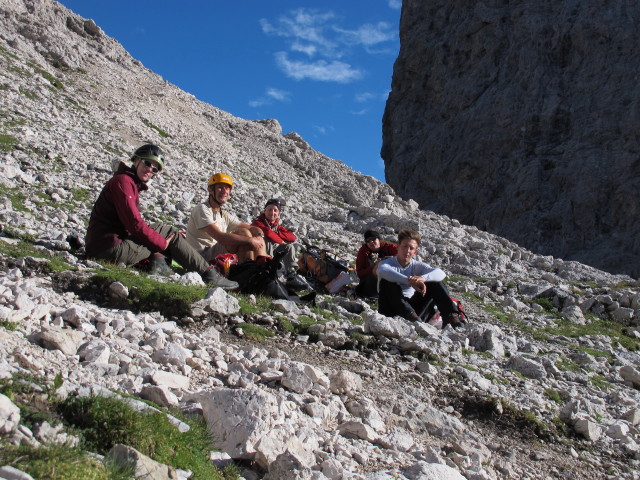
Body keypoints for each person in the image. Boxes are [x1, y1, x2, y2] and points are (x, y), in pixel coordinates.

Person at [85, 144, 237, 289]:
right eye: (147, 163)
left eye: (155, 169)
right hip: (109, 249)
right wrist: (162, 244)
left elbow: (130, 225)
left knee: (159, 231)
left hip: (104, 246)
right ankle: (209, 274)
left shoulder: (128, 182)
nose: (150, 169)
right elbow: (134, 224)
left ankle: (162, 263)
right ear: (136, 160)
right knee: (170, 233)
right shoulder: (123, 182)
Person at [377, 229, 465, 329]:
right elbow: (382, 271)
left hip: (414, 313)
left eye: (411, 248)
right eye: (405, 246)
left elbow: (440, 273)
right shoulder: (387, 263)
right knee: (387, 282)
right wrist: (409, 280)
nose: (407, 250)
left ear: (415, 252)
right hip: (390, 310)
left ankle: (451, 318)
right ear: (398, 247)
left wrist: (422, 278)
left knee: (434, 282)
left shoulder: (417, 266)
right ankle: (410, 316)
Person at [185, 173, 267, 263]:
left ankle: (261, 266)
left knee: (253, 234)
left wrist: (259, 236)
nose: (224, 191)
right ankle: (249, 269)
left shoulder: (223, 214)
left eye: (227, 188)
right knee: (244, 234)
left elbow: (252, 228)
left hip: (213, 252)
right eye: (220, 187)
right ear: (210, 190)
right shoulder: (202, 209)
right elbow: (220, 237)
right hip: (200, 256)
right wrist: (250, 240)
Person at [251, 198, 297, 274]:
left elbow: (292, 237)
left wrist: (277, 233)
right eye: (269, 209)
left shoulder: (276, 226)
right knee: (267, 240)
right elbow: (268, 233)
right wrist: (281, 241)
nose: (272, 212)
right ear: (264, 211)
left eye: (275, 210)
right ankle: (267, 268)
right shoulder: (257, 222)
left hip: (272, 251)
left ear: (278, 214)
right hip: (257, 252)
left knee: (289, 247)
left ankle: (291, 272)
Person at [355, 229, 397, 298]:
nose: (371, 242)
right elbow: (360, 273)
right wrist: (372, 267)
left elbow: (403, 251)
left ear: (379, 239)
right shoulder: (363, 252)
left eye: (373, 239)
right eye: (368, 241)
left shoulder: (387, 247)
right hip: (370, 285)